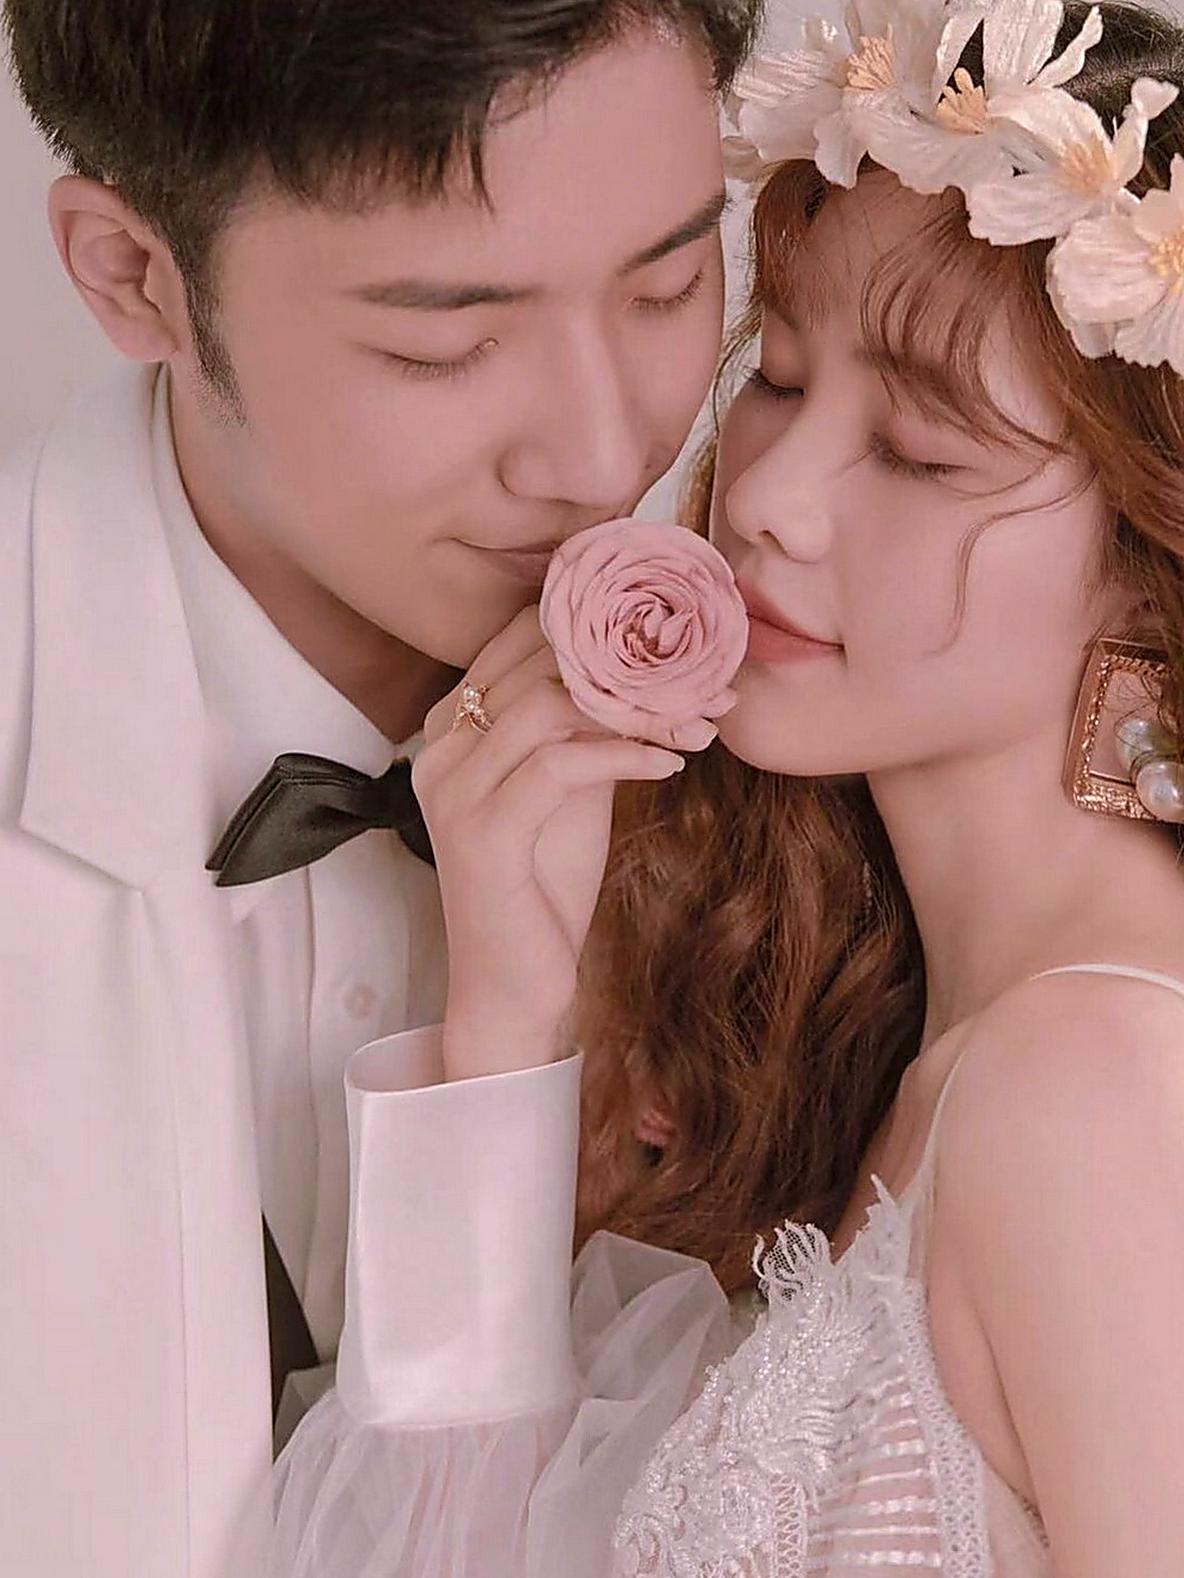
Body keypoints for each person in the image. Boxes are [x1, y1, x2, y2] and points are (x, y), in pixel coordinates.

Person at [268, 1, 1184, 1573]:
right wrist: (507, 1017)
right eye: (779, 374)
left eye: (919, 450)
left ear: (1150, 554)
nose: (769, 499)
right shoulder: (942, 1047)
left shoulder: (1095, 1089)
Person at [0, 2, 763, 1573]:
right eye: (446, 342)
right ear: (133, 274)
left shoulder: (824, 724)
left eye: (673, 281)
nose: (603, 452)